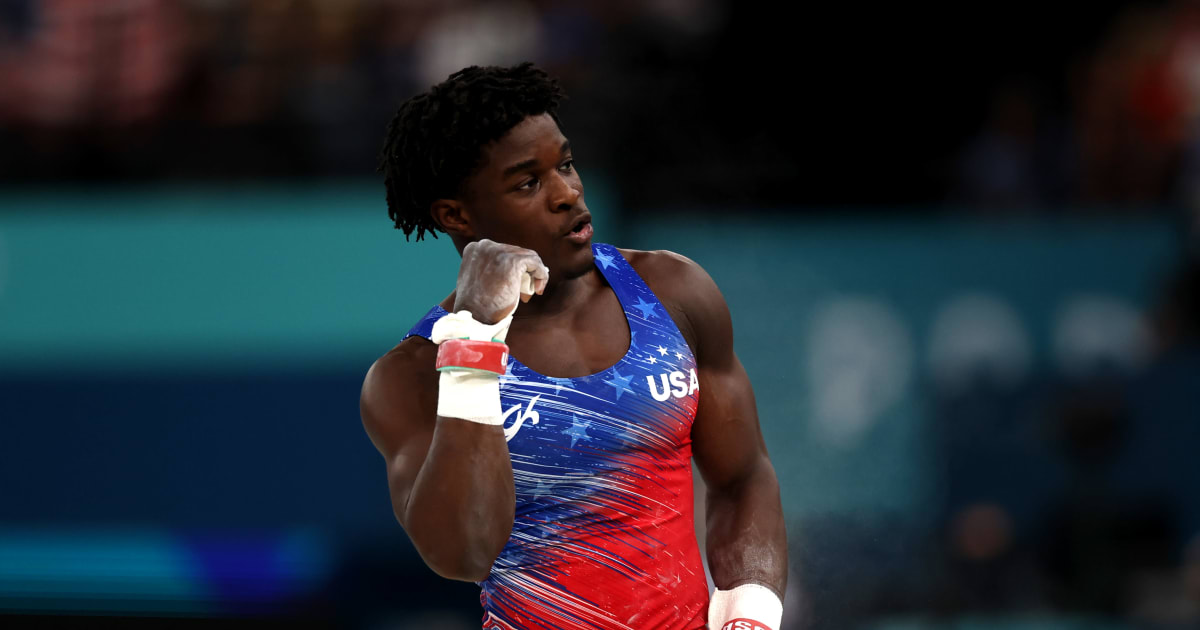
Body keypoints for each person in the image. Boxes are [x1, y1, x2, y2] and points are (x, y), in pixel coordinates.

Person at [360, 62, 787, 629]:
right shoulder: (413, 375)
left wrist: (748, 616)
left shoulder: (675, 292)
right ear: (456, 215)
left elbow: (743, 477)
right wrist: (477, 340)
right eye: (528, 182)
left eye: (564, 163)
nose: (567, 193)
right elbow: (464, 553)